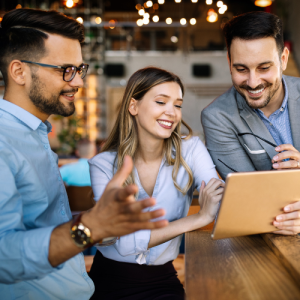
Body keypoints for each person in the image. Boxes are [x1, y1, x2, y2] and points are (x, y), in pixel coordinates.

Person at [0, 9, 168, 300]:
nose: (77, 82)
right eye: (65, 69)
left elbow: (41, 224)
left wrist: (101, 219)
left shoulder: (35, 133)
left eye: (80, 69)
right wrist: (89, 227)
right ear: (19, 72)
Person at [88, 67, 224, 300]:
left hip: (163, 279)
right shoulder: (102, 165)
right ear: (134, 106)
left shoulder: (191, 149)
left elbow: (219, 199)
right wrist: (199, 218)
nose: (171, 112)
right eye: (161, 102)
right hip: (109, 281)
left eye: (178, 105)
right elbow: (125, 243)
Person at [201, 11, 300, 235]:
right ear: (229, 62)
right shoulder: (217, 117)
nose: (253, 82)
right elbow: (250, 203)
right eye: (241, 69)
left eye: (264, 68)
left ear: (283, 59)